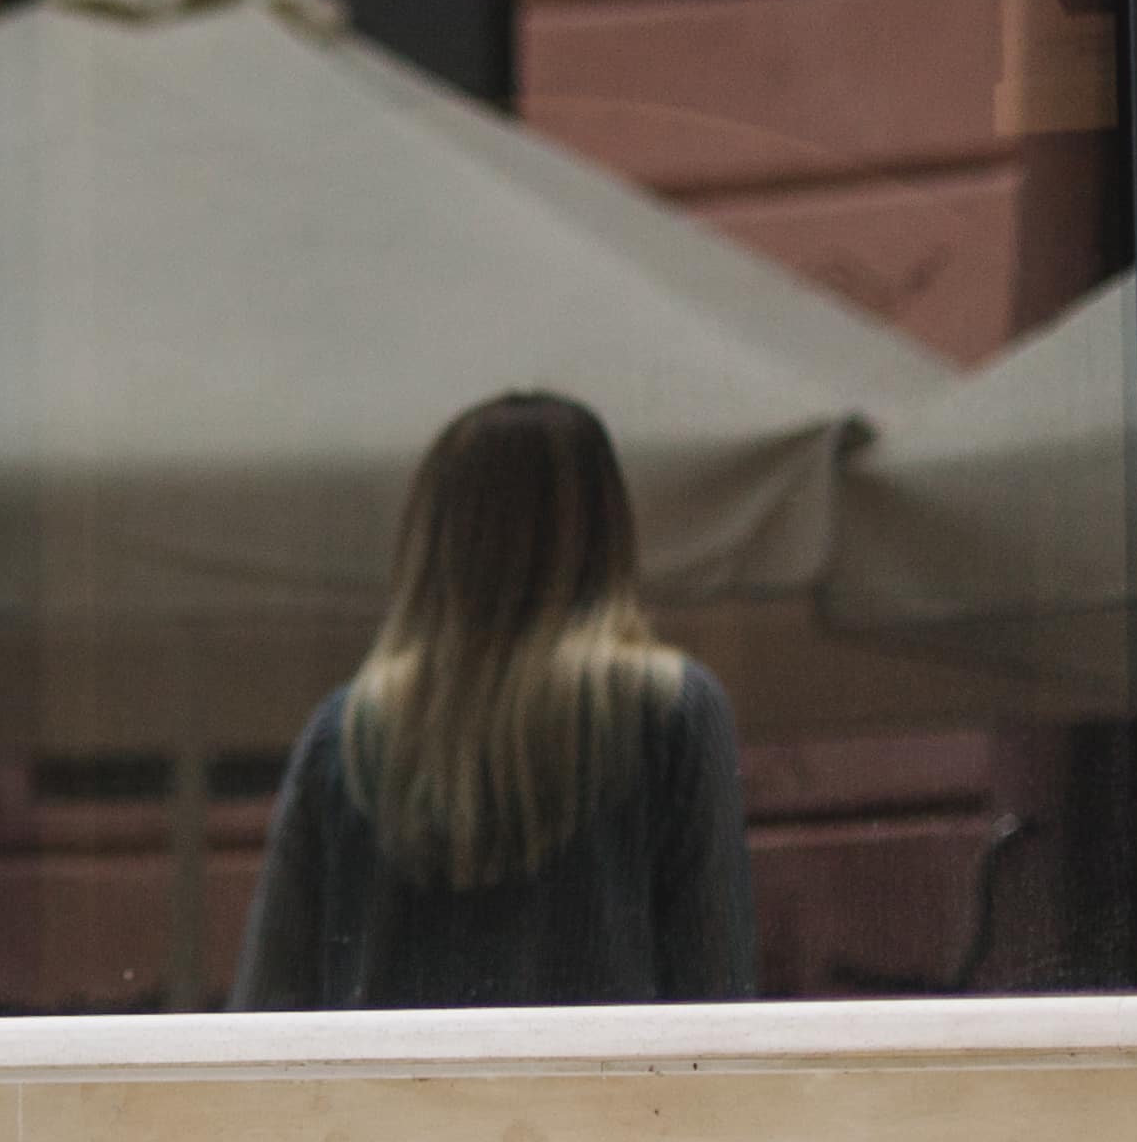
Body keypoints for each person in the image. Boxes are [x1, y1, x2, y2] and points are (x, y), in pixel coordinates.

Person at [231, 390, 758, 1010]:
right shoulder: (670, 712)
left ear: (435, 537)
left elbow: (267, 1006)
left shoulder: (348, 732)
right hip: (601, 1103)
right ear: (605, 531)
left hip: (384, 1105)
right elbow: (716, 989)